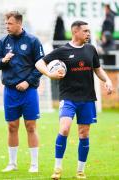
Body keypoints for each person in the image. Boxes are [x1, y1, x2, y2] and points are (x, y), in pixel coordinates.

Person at [35, 21, 113, 179]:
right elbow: (39, 63)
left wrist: (107, 80)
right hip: (68, 98)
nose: (88, 34)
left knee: (84, 134)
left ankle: (80, 171)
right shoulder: (63, 50)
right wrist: (50, 74)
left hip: (87, 98)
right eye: (85, 31)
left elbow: (97, 69)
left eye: (89, 31)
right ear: (75, 32)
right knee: (64, 128)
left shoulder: (91, 49)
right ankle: (57, 169)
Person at [0, 11, 44, 173]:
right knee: (12, 127)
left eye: (10, 23)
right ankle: (12, 163)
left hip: (29, 91)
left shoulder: (33, 41)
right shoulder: (2, 42)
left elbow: (41, 65)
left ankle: (34, 164)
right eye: (6, 23)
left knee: (30, 126)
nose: (7, 26)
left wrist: (28, 82)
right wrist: (3, 60)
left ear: (19, 24)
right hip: (10, 91)